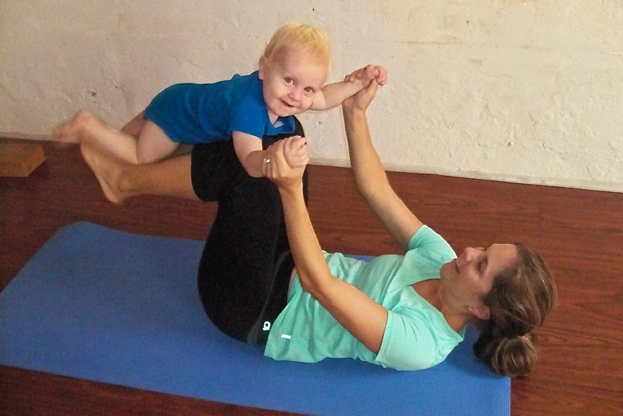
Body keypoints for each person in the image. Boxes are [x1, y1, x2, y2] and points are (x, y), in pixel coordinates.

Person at [77, 74, 557, 377]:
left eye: (482, 264)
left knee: (260, 169)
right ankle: (130, 168)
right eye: (483, 248)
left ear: (480, 309)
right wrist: (355, 113)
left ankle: (124, 178)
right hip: (288, 264)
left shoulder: (421, 344)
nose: (469, 251)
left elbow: (319, 283)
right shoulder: (443, 260)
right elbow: (376, 189)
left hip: (253, 310)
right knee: (281, 133)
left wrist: (288, 187)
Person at [53, 22, 387, 179]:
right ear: (263, 68)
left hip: (181, 97)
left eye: (307, 89)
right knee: (140, 157)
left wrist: (356, 82)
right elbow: (249, 159)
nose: (297, 97)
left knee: (123, 143)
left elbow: (327, 97)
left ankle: (100, 145)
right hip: (176, 114)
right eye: (289, 81)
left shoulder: (285, 95)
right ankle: (88, 125)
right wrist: (274, 160)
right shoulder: (248, 111)